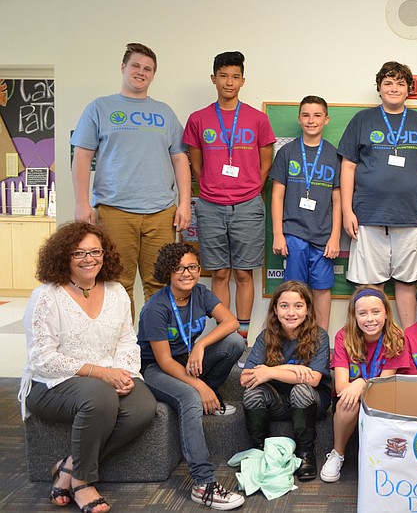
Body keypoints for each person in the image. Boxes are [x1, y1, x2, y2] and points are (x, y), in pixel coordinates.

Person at [18, 222, 157, 513]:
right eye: (79, 253)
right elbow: (42, 358)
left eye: (95, 251)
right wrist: (101, 373)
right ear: (63, 256)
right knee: (99, 397)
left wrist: (122, 373)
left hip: (105, 378)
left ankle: (68, 465)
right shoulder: (47, 296)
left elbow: (127, 341)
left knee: (143, 406)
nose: (89, 259)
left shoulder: (117, 291)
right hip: (51, 385)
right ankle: (82, 480)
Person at [71, 43, 191, 315]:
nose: (141, 72)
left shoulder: (164, 112)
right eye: (136, 66)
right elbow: (81, 156)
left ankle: (154, 350)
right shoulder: (99, 107)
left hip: (160, 212)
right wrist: (81, 203)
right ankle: (123, 353)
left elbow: (180, 159)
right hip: (114, 210)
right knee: (116, 285)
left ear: (153, 75)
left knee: (159, 284)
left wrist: (184, 204)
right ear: (123, 67)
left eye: (148, 69)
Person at [338, 61, 417, 328]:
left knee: (408, 283)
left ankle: (409, 342)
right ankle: (368, 345)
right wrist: (347, 211)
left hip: (413, 217)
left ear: (409, 89)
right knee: (370, 286)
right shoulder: (362, 120)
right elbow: (348, 166)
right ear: (379, 88)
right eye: (388, 83)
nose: (394, 88)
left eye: (400, 83)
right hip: (367, 215)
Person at [137, 243, 245, 510]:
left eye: (193, 267)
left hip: (187, 359)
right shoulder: (156, 308)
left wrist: (200, 344)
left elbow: (231, 322)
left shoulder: (200, 293)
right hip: (157, 370)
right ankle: (203, 482)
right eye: (179, 268)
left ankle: (206, 394)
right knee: (189, 398)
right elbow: (163, 361)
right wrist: (199, 387)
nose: (187, 273)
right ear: (168, 271)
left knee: (234, 344)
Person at [183, 51, 275, 340]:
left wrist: (248, 190)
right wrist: (212, 186)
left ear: (243, 80)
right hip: (210, 205)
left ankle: (243, 337)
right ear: (214, 79)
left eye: (235, 76)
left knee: (244, 274)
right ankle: (224, 336)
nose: (229, 82)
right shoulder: (198, 119)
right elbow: (195, 164)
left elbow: (266, 163)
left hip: (248, 205)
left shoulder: (257, 119)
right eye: (223, 76)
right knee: (220, 273)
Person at [240, 281, 332, 482]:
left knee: (301, 389)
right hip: (279, 402)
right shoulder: (266, 336)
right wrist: (287, 370)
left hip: (311, 402)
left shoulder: (320, 336)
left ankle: (305, 453)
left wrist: (271, 371)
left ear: (307, 309)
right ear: (275, 309)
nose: (291, 312)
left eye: (298, 306)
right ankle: (260, 451)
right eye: (284, 306)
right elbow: (245, 378)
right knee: (253, 392)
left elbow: (313, 379)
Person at [320, 286, 407, 483]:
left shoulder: (396, 338)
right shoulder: (344, 336)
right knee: (348, 402)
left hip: (384, 399)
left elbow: (384, 385)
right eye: (363, 313)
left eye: (376, 312)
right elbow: (342, 386)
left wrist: (361, 383)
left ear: (386, 313)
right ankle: (337, 453)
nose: (370, 319)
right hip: (351, 401)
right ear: (354, 316)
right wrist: (357, 384)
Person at [270, 96, 341, 331]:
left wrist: (335, 237)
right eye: (306, 115)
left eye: (317, 115)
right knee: (292, 292)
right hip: (293, 234)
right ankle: (292, 342)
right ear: (299, 118)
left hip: (323, 237)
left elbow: (337, 199)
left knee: (321, 289)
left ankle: (320, 343)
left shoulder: (334, 155)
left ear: (326, 119)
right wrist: (278, 234)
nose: (312, 120)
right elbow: (277, 195)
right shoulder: (286, 153)